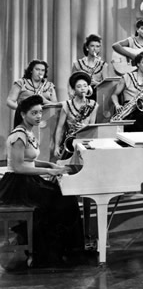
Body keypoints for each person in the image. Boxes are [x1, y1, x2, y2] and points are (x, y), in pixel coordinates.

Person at [0, 95, 83, 266]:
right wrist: (47, 170)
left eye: (40, 112)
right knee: (63, 201)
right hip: (17, 184)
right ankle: (48, 252)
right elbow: (18, 167)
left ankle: (64, 249)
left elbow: (30, 160)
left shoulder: (28, 132)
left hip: (28, 179)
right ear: (23, 114)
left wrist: (51, 164)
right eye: (34, 113)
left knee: (64, 198)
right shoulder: (18, 135)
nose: (39, 116)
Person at [54, 72, 98, 159]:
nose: (83, 89)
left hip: (86, 141)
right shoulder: (66, 105)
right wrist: (56, 146)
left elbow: (93, 126)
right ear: (74, 89)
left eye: (85, 86)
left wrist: (85, 126)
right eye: (79, 86)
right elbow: (60, 128)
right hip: (70, 140)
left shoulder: (93, 104)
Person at [111, 51, 143, 132]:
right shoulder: (127, 77)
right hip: (129, 110)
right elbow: (114, 95)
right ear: (138, 64)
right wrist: (117, 105)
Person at [71, 34, 108, 99]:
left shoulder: (103, 65)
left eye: (97, 46)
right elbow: (72, 82)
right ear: (87, 47)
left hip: (97, 96)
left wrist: (97, 83)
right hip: (81, 96)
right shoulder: (78, 64)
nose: (95, 49)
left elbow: (106, 85)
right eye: (92, 46)